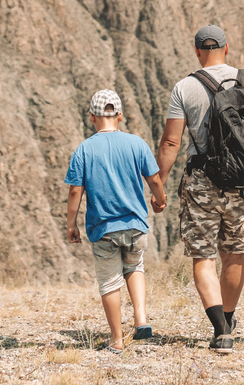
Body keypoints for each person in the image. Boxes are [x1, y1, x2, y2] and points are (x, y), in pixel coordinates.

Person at [156, 24, 244, 354]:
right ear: (227, 49)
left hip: (202, 182)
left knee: (203, 257)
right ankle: (228, 319)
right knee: (234, 255)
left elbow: (171, 141)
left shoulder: (185, 87)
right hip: (242, 184)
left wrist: (156, 184)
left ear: (197, 51)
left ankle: (221, 329)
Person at [65, 89, 168, 353]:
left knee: (109, 281)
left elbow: (75, 190)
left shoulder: (83, 150)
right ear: (120, 116)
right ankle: (141, 319)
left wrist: (71, 224)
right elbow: (154, 179)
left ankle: (117, 340)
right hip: (135, 226)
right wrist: (160, 199)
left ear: (92, 117)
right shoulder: (137, 144)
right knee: (135, 267)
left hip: (103, 229)